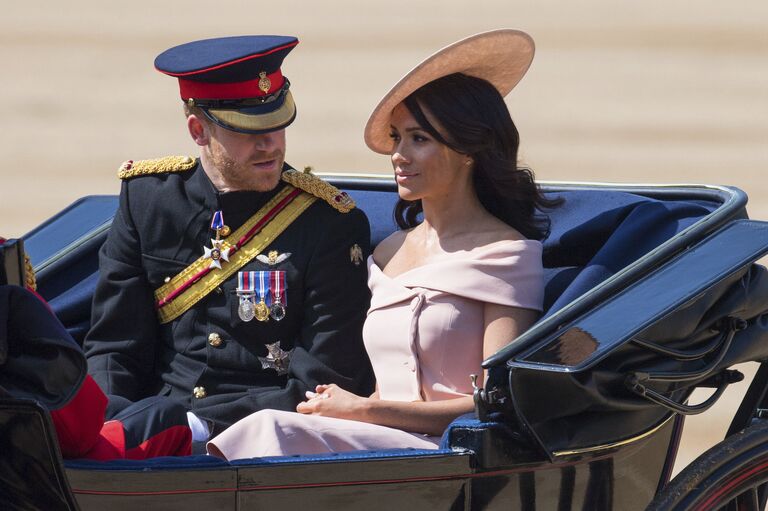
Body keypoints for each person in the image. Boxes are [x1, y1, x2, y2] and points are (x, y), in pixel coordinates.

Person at [207, 29, 559, 460]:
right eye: (396, 138)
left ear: (468, 149)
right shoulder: (386, 252)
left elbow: (497, 402)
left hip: (450, 451)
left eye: (419, 139)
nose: (398, 155)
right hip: (376, 443)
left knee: (270, 428)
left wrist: (366, 410)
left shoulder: (506, 254)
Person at [83, 35, 374, 446]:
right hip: (148, 433)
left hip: (257, 441)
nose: (270, 144)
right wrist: (111, 422)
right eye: (249, 130)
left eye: (277, 125)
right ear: (198, 130)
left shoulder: (328, 223)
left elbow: (324, 383)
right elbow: (114, 345)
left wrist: (197, 426)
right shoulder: (148, 200)